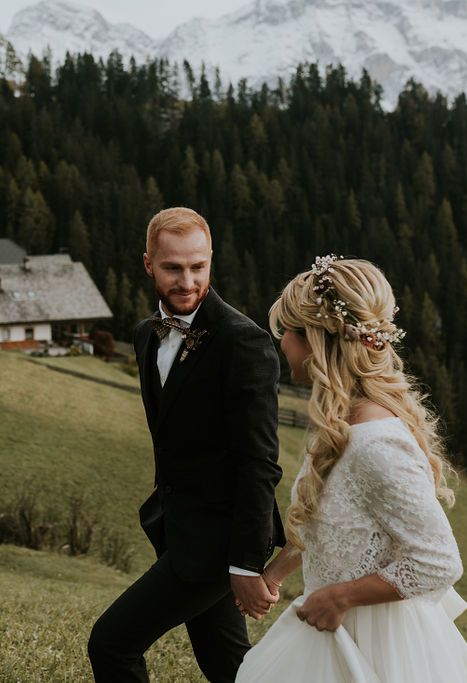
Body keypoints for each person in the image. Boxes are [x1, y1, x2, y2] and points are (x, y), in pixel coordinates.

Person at [236, 255, 467, 682]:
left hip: (373, 637)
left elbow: (438, 561)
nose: (281, 344)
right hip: (330, 625)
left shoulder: (377, 445)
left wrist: (340, 597)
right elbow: (336, 521)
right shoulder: (342, 424)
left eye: (286, 333)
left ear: (315, 342)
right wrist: (276, 572)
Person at [88, 207, 285, 682]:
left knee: (112, 644)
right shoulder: (143, 336)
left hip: (219, 544)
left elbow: (259, 463)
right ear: (148, 264)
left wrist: (245, 563)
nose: (187, 280)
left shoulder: (244, 343)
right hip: (179, 530)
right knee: (230, 668)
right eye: (173, 267)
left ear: (211, 261)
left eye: (198, 266)